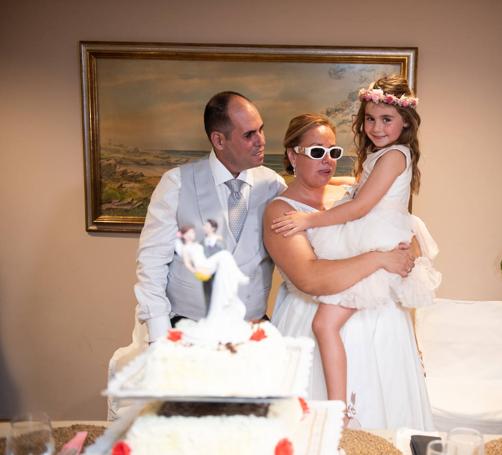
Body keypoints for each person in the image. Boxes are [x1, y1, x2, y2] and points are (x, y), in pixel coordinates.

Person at [271, 76, 441, 418]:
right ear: (292, 155)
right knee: (324, 326)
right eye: (370, 119)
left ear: (405, 122)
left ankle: (339, 408)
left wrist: (308, 221)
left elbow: (362, 206)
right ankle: (338, 407)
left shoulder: (392, 158)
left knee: (327, 327)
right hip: (350, 263)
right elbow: (355, 190)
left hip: (376, 260)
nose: (328, 161)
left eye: (333, 153)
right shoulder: (377, 161)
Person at [135, 91, 286, 342]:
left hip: (252, 333)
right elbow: (151, 265)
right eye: (249, 134)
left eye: (261, 129)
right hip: (187, 333)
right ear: (218, 139)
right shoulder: (176, 184)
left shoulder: (273, 185)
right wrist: (160, 338)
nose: (261, 141)